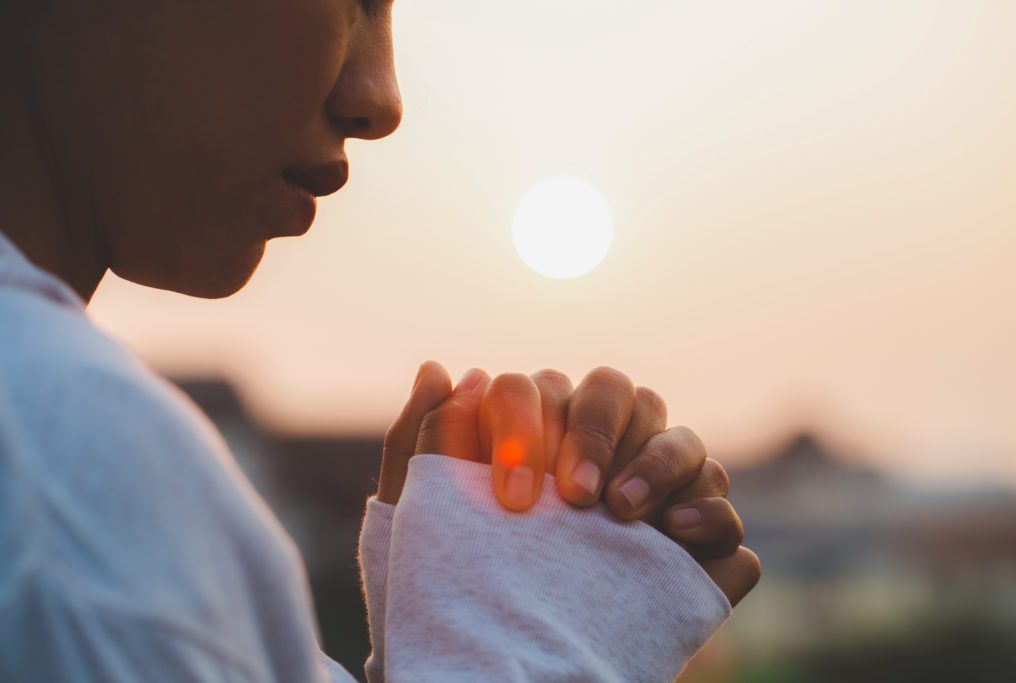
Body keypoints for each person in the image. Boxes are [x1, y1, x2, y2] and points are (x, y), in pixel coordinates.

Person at [0, 1, 760, 681]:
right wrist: (534, 652)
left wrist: (444, 639)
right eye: (357, 1)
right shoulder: (64, 483)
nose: (382, 100)